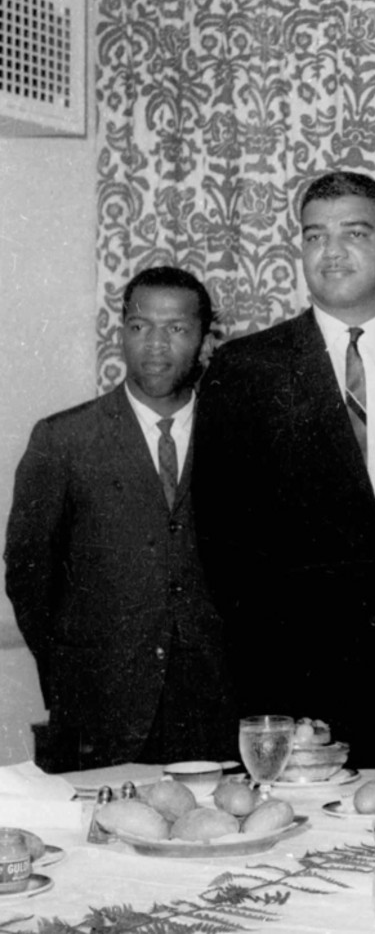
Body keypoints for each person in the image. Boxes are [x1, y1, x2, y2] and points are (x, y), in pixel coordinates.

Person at [194, 171, 375, 768]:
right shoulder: (244, 370)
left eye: (354, 232)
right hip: (298, 701)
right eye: (314, 235)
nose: (332, 251)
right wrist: (270, 702)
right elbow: (224, 550)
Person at [5, 266, 235, 770]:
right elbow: (28, 574)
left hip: (216, 713)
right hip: (99, 712)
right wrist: (74, 668)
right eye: (139, 326)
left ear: (205, 338)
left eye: (176, 328)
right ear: (121, 333)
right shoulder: (63, 440)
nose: (155, 344)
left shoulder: (239, 436)